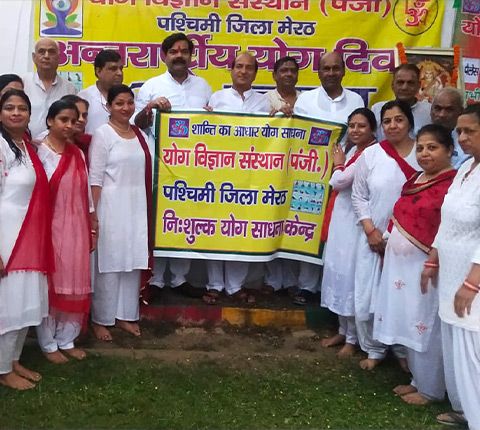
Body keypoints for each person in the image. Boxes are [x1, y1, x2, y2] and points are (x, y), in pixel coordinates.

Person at [373, 124, 455, 405]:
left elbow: (447, 227)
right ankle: (417, 380)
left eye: (432, 147)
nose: (424, 153)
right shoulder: (417, 179)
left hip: (427, 266)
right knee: (410, 321)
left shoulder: (451, 184)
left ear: (449, 151)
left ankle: (432, 389)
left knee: (425, 323)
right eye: (420, 148)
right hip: (400, 267)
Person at [134, 32, 212, 298]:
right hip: (161, 166)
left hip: (195, 167)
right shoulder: (152, 86)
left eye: (184, 51)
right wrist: (151, 107)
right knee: (160, 221)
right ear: (164, 56)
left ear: (191, 56)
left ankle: (180, 279)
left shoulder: (203, 85)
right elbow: (137, 124)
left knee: (186, 220)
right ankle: (154, 280)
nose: (179, 55)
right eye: (174, 51)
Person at [421, 103, 480, 430]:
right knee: (455, 343)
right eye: (459, 131)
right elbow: (448, 220)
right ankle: (465, 409)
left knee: (473, 349)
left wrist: (472, 283)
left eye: (470, 130)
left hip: (473, 276)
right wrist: (433, 259)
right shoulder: (465, 169)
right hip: (451, 271)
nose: (462, 137)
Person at [351, 100, 420, 370]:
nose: (393, 125)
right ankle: (374, 349)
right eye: (387, 121)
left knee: (403, 296)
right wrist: (370, 230)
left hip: (409, 241)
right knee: (368, 295)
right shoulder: (372, 154)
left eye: (399, 119)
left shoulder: (422, 154)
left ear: (410, 124)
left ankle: (402, 349)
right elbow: (359, 196)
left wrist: (397, 236)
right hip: (372, 237)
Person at [293, 51, 364, 305]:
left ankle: (332, 286)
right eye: (326, 69)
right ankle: (306, 285)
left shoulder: (356, 100)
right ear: (319, 72)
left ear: (344, 71)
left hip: (345, 174)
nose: (331, 73)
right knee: (309, 229)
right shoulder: (306, 100)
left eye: (336, 68)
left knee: (338, 231)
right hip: (308, 174)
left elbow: (359, 136)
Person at [203, 52, 269, 305]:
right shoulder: (217, 99)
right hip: (218, 175)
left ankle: (235, 286)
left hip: (250, 178)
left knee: (239, 230)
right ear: (230, 70)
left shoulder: (264, 103)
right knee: (214, 229)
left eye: (249, 68)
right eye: (238, 67)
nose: (243, 71)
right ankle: (214, 285)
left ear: (255, 73)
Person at [89, 84, 152, 342]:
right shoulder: (103, 134)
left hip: (136, 207)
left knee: (132, 263)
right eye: (119, 103)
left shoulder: (140, 135)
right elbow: (95, 178)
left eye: (129, 102)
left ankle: (126, 315)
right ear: (108, 106)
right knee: (110, 264)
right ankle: (100, 319)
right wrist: (93, 215)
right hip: (110, 208)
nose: (126, 108)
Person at [0, 89, 53, 390]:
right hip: (8, 236)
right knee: (8, 304)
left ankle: (12, 360)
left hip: (30, 234)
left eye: (22, 108)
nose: (16, 113)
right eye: (9, 107)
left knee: (24, 302)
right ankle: (2, 369)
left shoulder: (26, 146)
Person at [35, 99, 93, 363]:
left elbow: (86, 194)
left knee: (73, 283)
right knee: (50, 286)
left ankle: (66, 339)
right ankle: (48, 344)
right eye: (64, 120)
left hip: (76, 228)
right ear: (50, 121)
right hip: (47, 227)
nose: (70, 125)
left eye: (74, 120)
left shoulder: (77, 153)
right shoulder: (39, 151)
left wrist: (92, 223)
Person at [320, 108, 377, 358]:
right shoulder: (354, 150)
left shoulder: (370, 153)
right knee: (338, 274)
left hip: (355, 223)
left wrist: (338, 165)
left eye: (361, 126)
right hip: (340, 220)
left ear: (373, 130)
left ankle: (353, 339)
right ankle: (343, 330)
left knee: (351, 278)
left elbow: (339, 181)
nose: (355, 130)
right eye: (352, 125)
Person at [263, 56, 301, 295]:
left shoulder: (307, 100)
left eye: (292, 70)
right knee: (270, 222)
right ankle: (271, 283)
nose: (288, 74)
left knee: (293, 224)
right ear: (274, 75)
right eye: (283, 70)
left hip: (298, 168)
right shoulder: (265, 100)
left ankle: (293, 284)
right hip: (270, 169)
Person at [23, 38, 76, 138]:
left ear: (59, 58)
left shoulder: (69, 89)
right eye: (41, 52)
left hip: (57, 148)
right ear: (34, 57)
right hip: (26, 145)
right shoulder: (23, 83)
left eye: (51, 52)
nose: (46, 56)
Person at [371, 64, 431, 142]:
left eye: (410, 83)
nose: (404, 87)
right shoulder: (377, 109)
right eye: (400, 82)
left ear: (418, 86)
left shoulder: (429, 111)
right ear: (392, 85)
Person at [78, 49, 123, 135]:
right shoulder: (83, 97)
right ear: (98, 71)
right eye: (113, 69)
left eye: (121, 68)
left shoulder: (129, 98)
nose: (119, 73)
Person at [430, 88, 469, 169]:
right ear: (431, 110)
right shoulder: (421, 139)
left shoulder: (467, 143)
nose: (442, 115)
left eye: (449, 110)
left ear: (461, 112)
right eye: (438, 108)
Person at [60, 94, 92, 163]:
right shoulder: (44, 144)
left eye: (84, 115)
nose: (81, 119)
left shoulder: (88, 142)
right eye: (77, 114)